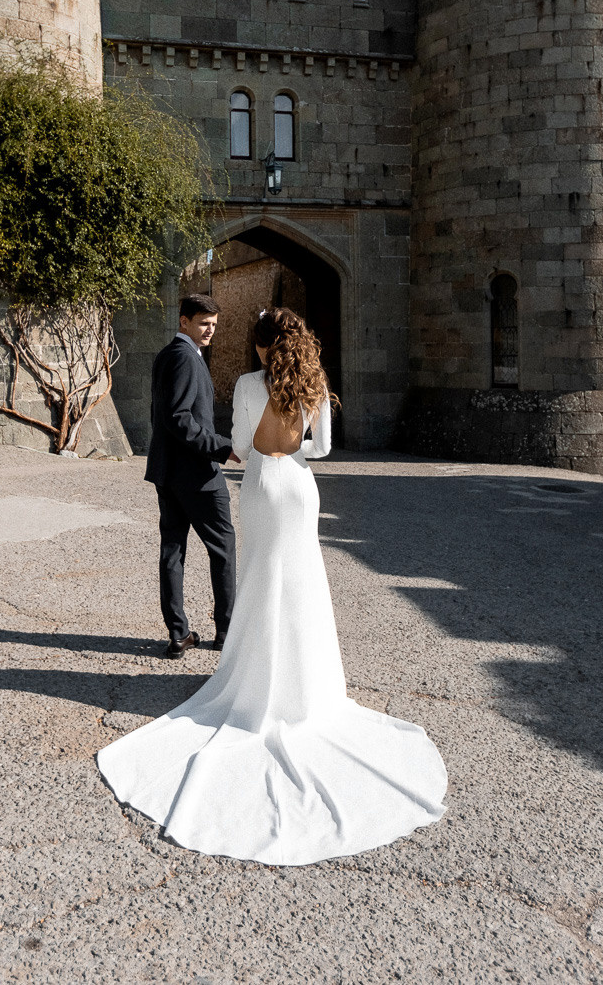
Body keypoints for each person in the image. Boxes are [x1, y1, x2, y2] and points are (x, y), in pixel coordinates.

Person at [98, 306, 447, 865]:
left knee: (260, 579)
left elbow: (239, 441)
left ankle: (252, 682)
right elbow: (323, 448)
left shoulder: (245, 383)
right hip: (300, 488)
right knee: (304, 586)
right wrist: (295, 448)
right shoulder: (315, 384)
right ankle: (307, 692)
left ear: (261, 347)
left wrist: (262, 447)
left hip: (261, 485)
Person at [145, 293, 237, 659]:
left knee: (173, 551)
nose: (210, 330)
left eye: (214, 324)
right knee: (223, 550)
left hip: (168, 472)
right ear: (183, 321)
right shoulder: (184, 357)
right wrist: (221, 447)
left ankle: (178, 634)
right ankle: (227, 633)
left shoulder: (170, 354)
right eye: (203, 323)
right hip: (196, 475)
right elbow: (178, 417)